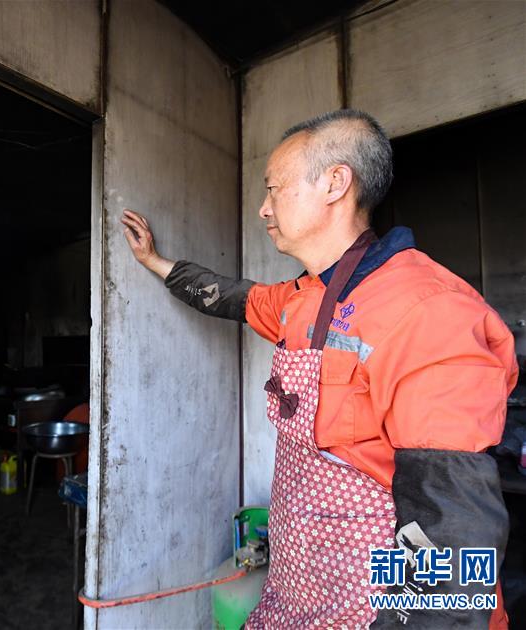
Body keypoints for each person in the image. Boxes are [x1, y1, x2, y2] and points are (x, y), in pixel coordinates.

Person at [122, 109, 518, 628]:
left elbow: (454, 530)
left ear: (335, 183)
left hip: (372, 608)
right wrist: (156, 263)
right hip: (298, 591)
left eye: (274, 188)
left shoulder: (429, 310)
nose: (263, 208)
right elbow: (233, 297)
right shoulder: (303, 298)